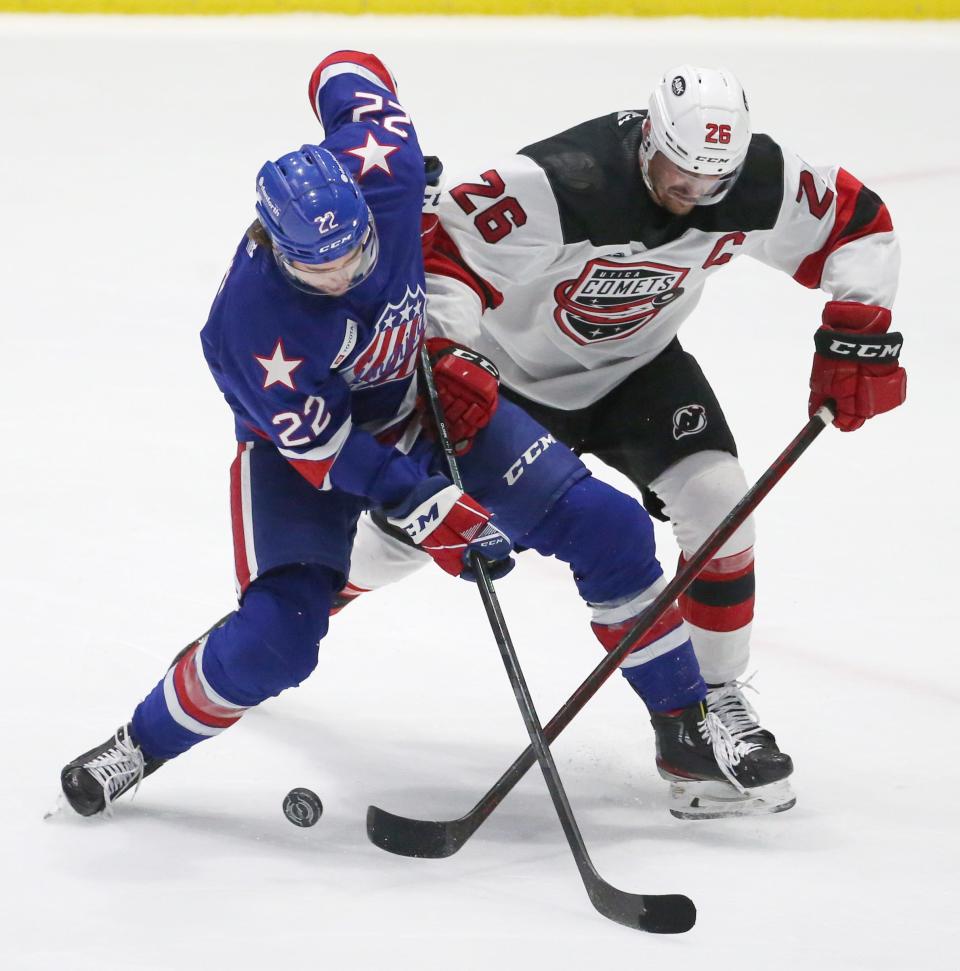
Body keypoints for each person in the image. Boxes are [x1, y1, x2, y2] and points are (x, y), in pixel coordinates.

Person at [59, 52, 793, 824]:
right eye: (321, 267)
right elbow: (332, 452)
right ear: (277, 249)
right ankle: (138, 745)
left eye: (359, 252)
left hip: (418, 395)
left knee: (608, 529)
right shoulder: (249, 329)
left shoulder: (386, 165)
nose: (346, 273)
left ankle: (684, 731)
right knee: (280, 637)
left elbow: (345, 67)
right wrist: (432, 509)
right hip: (306, 454)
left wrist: (448, 346)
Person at [336, 64, 908, 811]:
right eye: (679, 173)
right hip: (508, 385)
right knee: (410, 537)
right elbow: (444, 255)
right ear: (648, 139)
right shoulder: (560, 181)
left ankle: (711, 712)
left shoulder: (757, 180)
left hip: (638, 373)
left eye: (714, 182)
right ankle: (307, 595)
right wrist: (448, 354)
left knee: (722, 507)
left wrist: (856, 327)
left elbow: (857, 223)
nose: (693, 195)